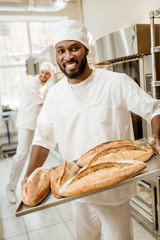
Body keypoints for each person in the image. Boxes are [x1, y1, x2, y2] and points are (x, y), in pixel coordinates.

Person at [22, 20, 160, 240]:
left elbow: (154, 109)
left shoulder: (116, 82)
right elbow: (43, 139)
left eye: (74, 48)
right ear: (56, 55)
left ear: (86, 49)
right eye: (61, 51)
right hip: (76, 187)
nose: (67, 57)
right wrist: (30, 174)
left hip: (115, 186)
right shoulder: (55, 96)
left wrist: (156, 135)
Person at [6, 61, 54, 204]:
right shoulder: (32, 84)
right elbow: (43, 104)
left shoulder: (45, 86)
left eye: (47, 73)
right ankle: (10, 187)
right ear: (39, 72)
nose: (44, 75)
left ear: (50, 75)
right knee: (22, 154)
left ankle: (32, 186)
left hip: (36, 124)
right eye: (42, 72)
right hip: (26, 124)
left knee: (35, 157)